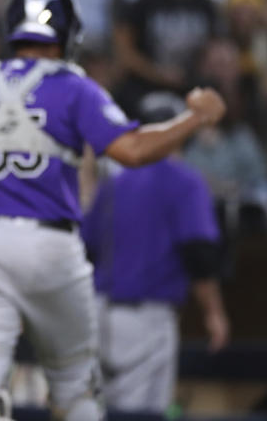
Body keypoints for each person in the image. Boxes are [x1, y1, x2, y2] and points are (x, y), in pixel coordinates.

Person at [0, 0, 226, 421]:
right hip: (49, 245)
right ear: (67, 36)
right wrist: (194, 117)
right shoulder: (73, 88)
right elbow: (133, 151)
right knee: (75, 386)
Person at [82, 94, 229, 413]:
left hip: (96, 314)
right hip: (146, 318)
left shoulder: (112, 183)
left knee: (96, 411)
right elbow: (199, 254)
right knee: (140, 415)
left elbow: (85, 246)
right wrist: (213, 313)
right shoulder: (184, 181)